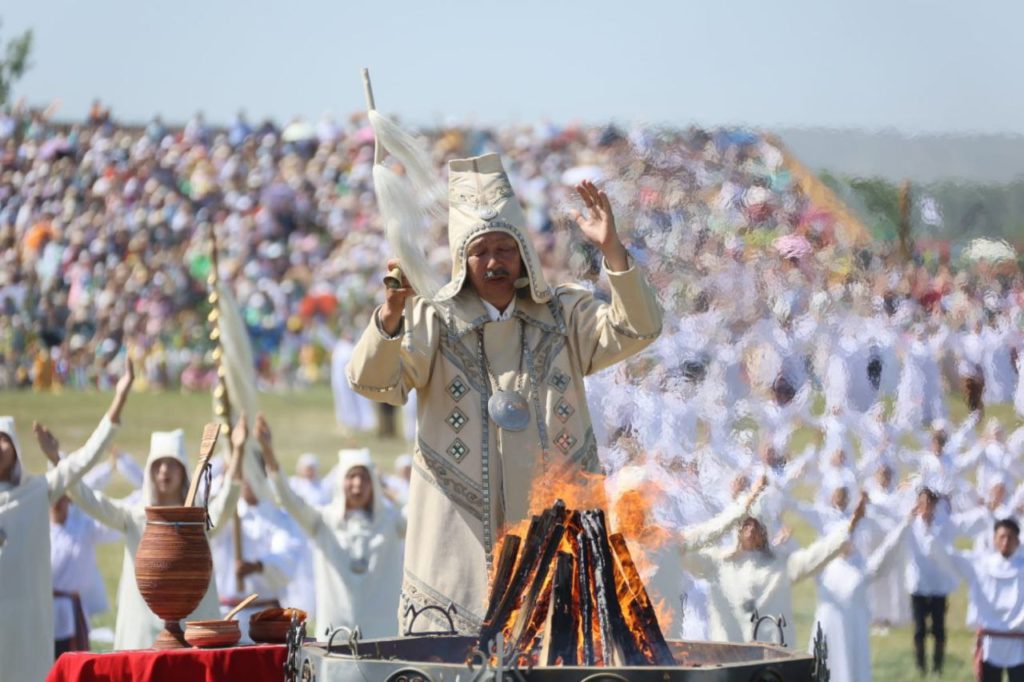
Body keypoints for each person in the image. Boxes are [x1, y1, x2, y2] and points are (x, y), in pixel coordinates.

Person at [347, 150, 663, 634]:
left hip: (555, 525)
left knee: (559, 648)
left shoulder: (563, 314)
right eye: (481, 251)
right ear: (462, 258)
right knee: (455, 656)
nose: (494, 261)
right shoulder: (433, 318)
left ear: (523, 253)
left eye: (505, 248)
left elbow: (637, 328)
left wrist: (613, 251)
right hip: (459, 532)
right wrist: (391, 312)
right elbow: (374, 381)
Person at [0, 361, 132, 681]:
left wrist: (119, 398)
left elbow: (83, 461)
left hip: (29, 621)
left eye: (3, 439)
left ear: (15, 448)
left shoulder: (36, 491)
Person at [68, 419, 246, 649]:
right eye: (158, 464)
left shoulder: (197, 519)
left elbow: (226, 503)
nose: (164, 470)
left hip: (194, 629)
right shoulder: (134, 517)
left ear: (183, 470)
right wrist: (61, 468)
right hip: (143, 631)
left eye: (172, 464)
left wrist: (238, 452)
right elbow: (92, 501)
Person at [260, 414, 406, 637]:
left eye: (364, 478)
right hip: (335, 636)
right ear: (340, 481)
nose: (357, 484)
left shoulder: (391, 522)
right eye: (351, 477)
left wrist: (389, 491)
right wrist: (268, 453)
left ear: (374, 484)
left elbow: (419, 509)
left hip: (382, 635)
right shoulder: (324, 521)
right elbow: (289, 500)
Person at [684, 490, 867, 645]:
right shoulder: (718, 562)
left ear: (765, 532)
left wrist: (848, 528)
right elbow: (682, 551)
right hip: (728, 657)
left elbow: (813, 558)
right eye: (746, 524)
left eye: (756, 525)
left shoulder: (778, 565)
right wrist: (734, 514)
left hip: (770, 656)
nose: (751, 530)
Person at [807, 501, 913, 682]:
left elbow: (887, 550)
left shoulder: (862, 567)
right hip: (826, 634)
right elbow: (799, 561)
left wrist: (905, 524)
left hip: (852, 636)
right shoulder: (823, 567)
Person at [212, 477, 301, 643]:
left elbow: (288, 556)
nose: (248, 484)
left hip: (264, 617)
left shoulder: (278, 517)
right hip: (227, 615)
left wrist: (258, 566)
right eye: (243, 479)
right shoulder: (223, 515)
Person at [936, 518, 1024, 682]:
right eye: (1002, 537)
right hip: (989, 642)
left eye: (1010, 537)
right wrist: (929, 528)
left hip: (1019, 643)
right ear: (994, 539)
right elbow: (948, 556)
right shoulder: (981, 565)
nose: (1005, 542)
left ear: (1017, 541)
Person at [905, 487, 960, 676]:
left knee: (938, 629)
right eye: (922, 503)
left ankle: (937, 666)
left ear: (935, 505)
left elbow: (945, 551)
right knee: (919, 629)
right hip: (918, 584)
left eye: (929, 503)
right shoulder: (910, 525)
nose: (926, 506)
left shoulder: (943, 525)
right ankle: (921, 666)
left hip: (938, 585)